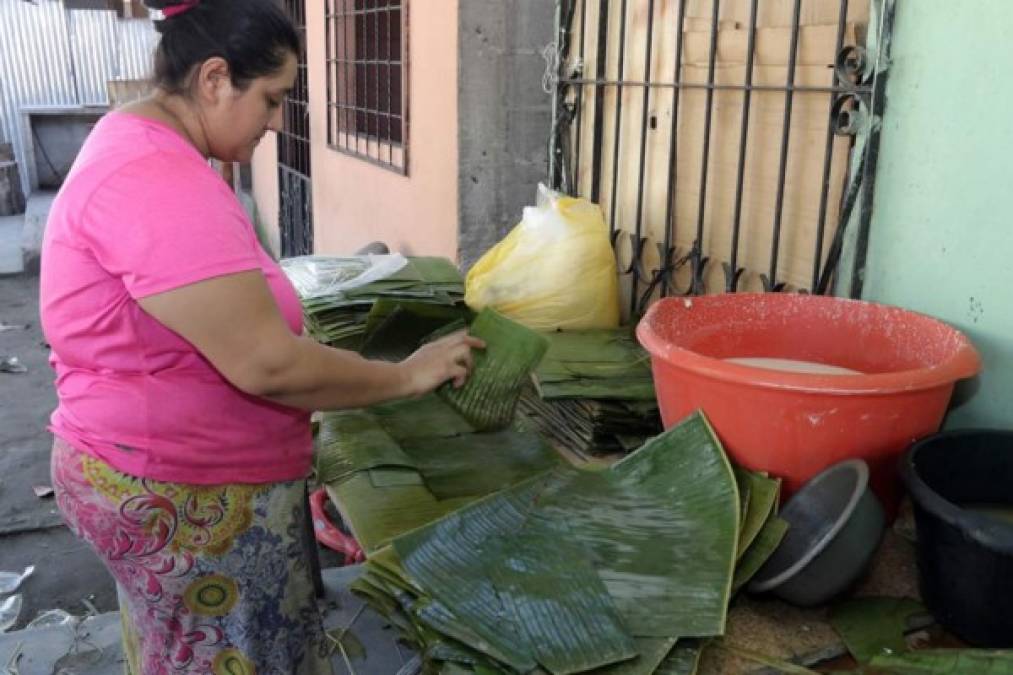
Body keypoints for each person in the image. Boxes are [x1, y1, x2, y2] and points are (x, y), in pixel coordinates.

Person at [39, 1, 482, 673]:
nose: (277, 123)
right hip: (184, 489)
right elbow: (266, 364)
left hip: (155, 465)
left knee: (182, 651)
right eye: (272, 99)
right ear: (214, 79)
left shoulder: (144, 143)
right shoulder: (156, 179)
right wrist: (406, 375)